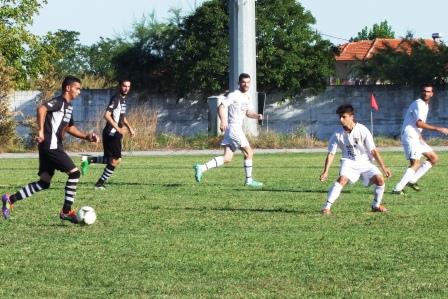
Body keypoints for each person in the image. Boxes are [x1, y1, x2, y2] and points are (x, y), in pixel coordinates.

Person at [2, 76, 100, 222]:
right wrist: (41, 130)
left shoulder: (68, 107)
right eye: (77, 88)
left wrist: (86, 136)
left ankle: (9, 199)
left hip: (50, 146)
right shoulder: (59, 102)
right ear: (68, 88)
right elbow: (41, 108)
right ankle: (66, 211)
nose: (79, 92)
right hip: (51, 145)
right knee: (75, 173)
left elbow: (70, 127)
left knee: (44, 182)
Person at [193, 73, 263, 187]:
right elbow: (221, 106)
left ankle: (201, 167)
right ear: (239, 83)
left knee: (227, 158)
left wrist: (257, 115)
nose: (246, 84)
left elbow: (248, 112)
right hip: (234, 128)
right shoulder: (234, 95)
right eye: (243, 82)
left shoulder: (247, 97)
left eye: (248, 82)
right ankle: (249, 180)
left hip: (233, 130)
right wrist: (223, 121)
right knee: (249, 152)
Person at [319, 104, 392, 214]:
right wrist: (326, 171)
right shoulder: (337, 134)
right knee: (342, 179)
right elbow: (331, 154)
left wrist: (384, 167)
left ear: (351, 116)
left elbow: (373, 151)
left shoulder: (362, 130)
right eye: (339, 117)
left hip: (365, 162)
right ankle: (326, 207)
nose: (341, 119)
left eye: (344, 117)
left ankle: (376, 205)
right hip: (348, 162)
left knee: (380, 179)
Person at [392, 83, 448, 194]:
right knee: (415, 164)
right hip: (410, 136)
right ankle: (397, 189)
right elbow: (419, 123)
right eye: (424, 91)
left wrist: (420, 137)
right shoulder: (419, 104)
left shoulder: (424, 105)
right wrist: (439, 129)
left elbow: (414, 123)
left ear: (432, 94)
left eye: (428, 91)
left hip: (416, 136)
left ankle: (412, 181)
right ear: (421, 92)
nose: (426, 93)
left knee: (433, 158)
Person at [80, 79, 135, 190]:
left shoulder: (123, 100)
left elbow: (122, 117)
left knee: (110, 159)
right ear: (120, 86)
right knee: (116, 159)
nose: (126, 88)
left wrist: (130, 128)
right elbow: (107, 115)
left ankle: (88, 160)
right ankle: (99, 184)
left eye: (128, 86)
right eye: (124, 86)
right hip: (112, 133)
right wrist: (118, 129)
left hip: (114, 133)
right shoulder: (116, 98)